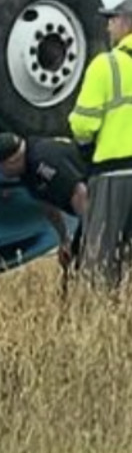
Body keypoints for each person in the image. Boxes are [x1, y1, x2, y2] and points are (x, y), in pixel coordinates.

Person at [68, 15, 132, 280]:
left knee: (101, 261)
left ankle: (101, 319)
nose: (107, 26)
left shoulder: (106, 65)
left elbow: (82, 125)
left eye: (112, 20)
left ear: (127, 23)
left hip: (113, 174)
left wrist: (84, 151)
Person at [0, 129, 87, 269]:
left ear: (11, 161)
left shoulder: (41, 161)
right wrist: (64, 239)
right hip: (88, 205)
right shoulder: (26, 169)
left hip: (101, 193)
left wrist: (89, 235)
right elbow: (47, 205)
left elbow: (80, 192)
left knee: (87, 258)